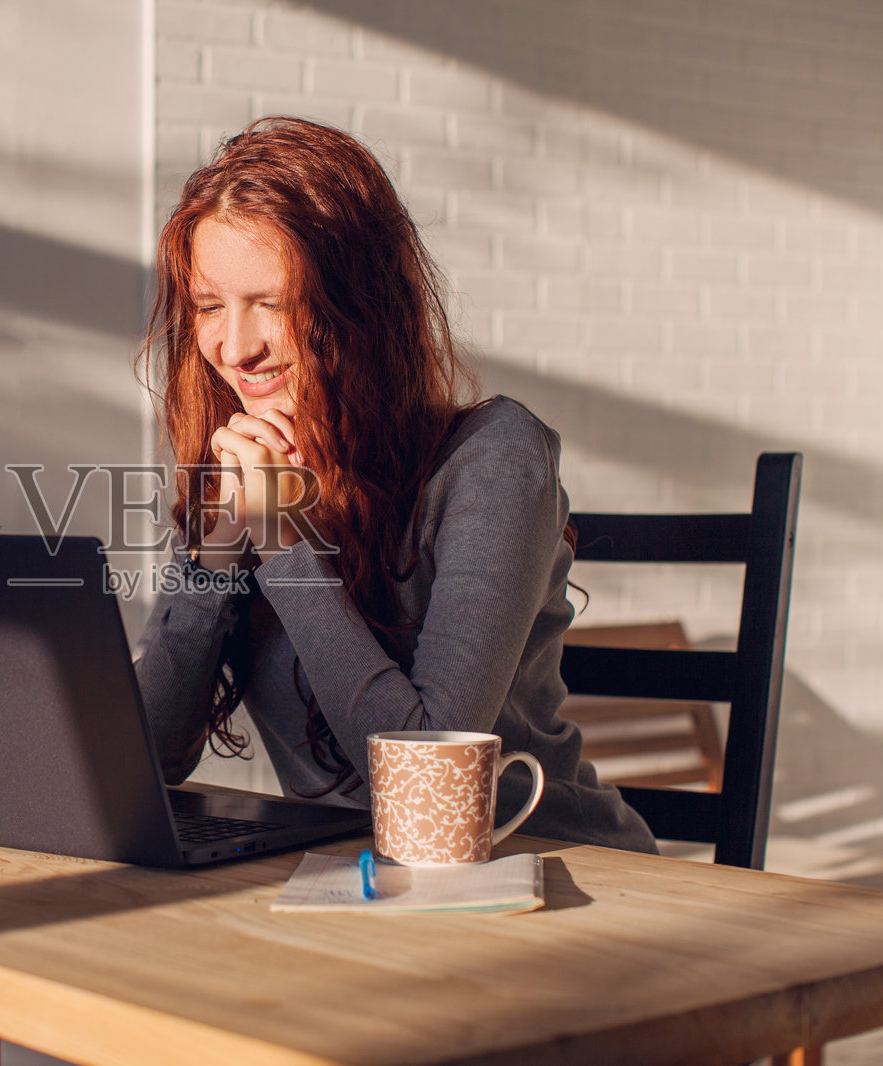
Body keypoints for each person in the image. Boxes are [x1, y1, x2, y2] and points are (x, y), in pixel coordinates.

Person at [133, 116, 657, 853]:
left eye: (273, 303)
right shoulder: (249, 467)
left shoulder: (494, 456)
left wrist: (284, 545)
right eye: (210, 306)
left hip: (548, 865)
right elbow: (146, 760)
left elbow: (423, 788)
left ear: (360, 305)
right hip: (359, 878)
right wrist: (219, 551)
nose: (236, 347)